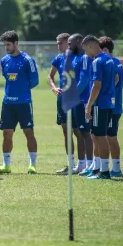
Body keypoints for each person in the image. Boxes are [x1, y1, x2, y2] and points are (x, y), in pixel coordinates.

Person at [0, 30, 39, 174]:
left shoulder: (27, 60)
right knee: (7, 133)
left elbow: (35, 81)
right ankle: (6, 165)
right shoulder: (4, 60)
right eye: (5, 45)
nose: (6, 48)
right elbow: (6, 77)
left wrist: (22, 91)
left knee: (28, 132)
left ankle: (32, 165)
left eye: (8, 45)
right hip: (8, 103)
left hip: (24, 103)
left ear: (16, 43)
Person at [82, 35, 116, 180]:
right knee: (99, 136)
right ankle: (99, 169)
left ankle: (104, 171)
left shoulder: (97, 61)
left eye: (85, 50)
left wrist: (88, 105)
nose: (86, 54)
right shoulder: (109, 59)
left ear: (90, 46)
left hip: (99, 104)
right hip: (109, 103)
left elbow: (96, 86)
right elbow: (115, 79)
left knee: (100, 137)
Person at [48, 33, 77, 175]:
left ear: (68, 43)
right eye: (57, 43)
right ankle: (70, 164)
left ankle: (85, 164)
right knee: (66, 132)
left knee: (79, 132)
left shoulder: (76, 58)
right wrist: (53, 87)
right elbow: (50, 75)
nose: (58, 46)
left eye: (61, 43)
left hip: (76, 100)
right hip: (62, 100)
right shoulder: (58, 59)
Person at [99, 36, 123, 177]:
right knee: (108, 136)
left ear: (106, 50)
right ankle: (114, 168)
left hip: (111, 107)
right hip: (114, 106)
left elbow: (115, 80)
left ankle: (116, 169)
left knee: (111, 137)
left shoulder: (111, 63)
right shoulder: (117, 62)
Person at [68, 34, 92, 175]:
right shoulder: (74, 57)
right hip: (75, 101)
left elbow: (84, 79)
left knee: (86, 133)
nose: (68, 45)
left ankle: (90, 165)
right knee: (78, 133)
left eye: (70, 43)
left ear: (78, 42)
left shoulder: (84, 57)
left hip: (83, 101)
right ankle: (81, 164)